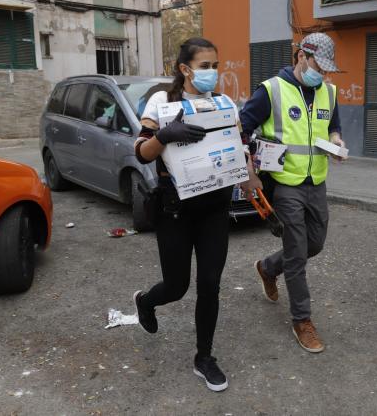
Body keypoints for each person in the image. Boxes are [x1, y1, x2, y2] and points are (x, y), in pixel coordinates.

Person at [132, 37, 251, 392]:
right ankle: (145, 302)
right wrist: (166, 135)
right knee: (176, 286)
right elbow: (141, 152)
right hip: (176, 210)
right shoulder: (162, 102)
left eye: (215, 66)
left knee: (210, 285)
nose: (212, 72)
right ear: (185, 69)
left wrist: (249, 174)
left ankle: (204, 357)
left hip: (215, 208)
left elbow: (239, 145)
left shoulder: (224, 103)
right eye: (204, 66)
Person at [239, 32, 345, 353]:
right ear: (301, 57)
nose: (322, 75)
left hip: (317, 181)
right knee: (297, 253)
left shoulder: (328, 92)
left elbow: (334, 127)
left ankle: (268, 267)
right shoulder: (271, 90)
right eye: (318, 67)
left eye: (326, 70)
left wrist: (337, 142)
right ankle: (302, 320)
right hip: (284, 183)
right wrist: (248, 172)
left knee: (315, 243)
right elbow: (240, 129)